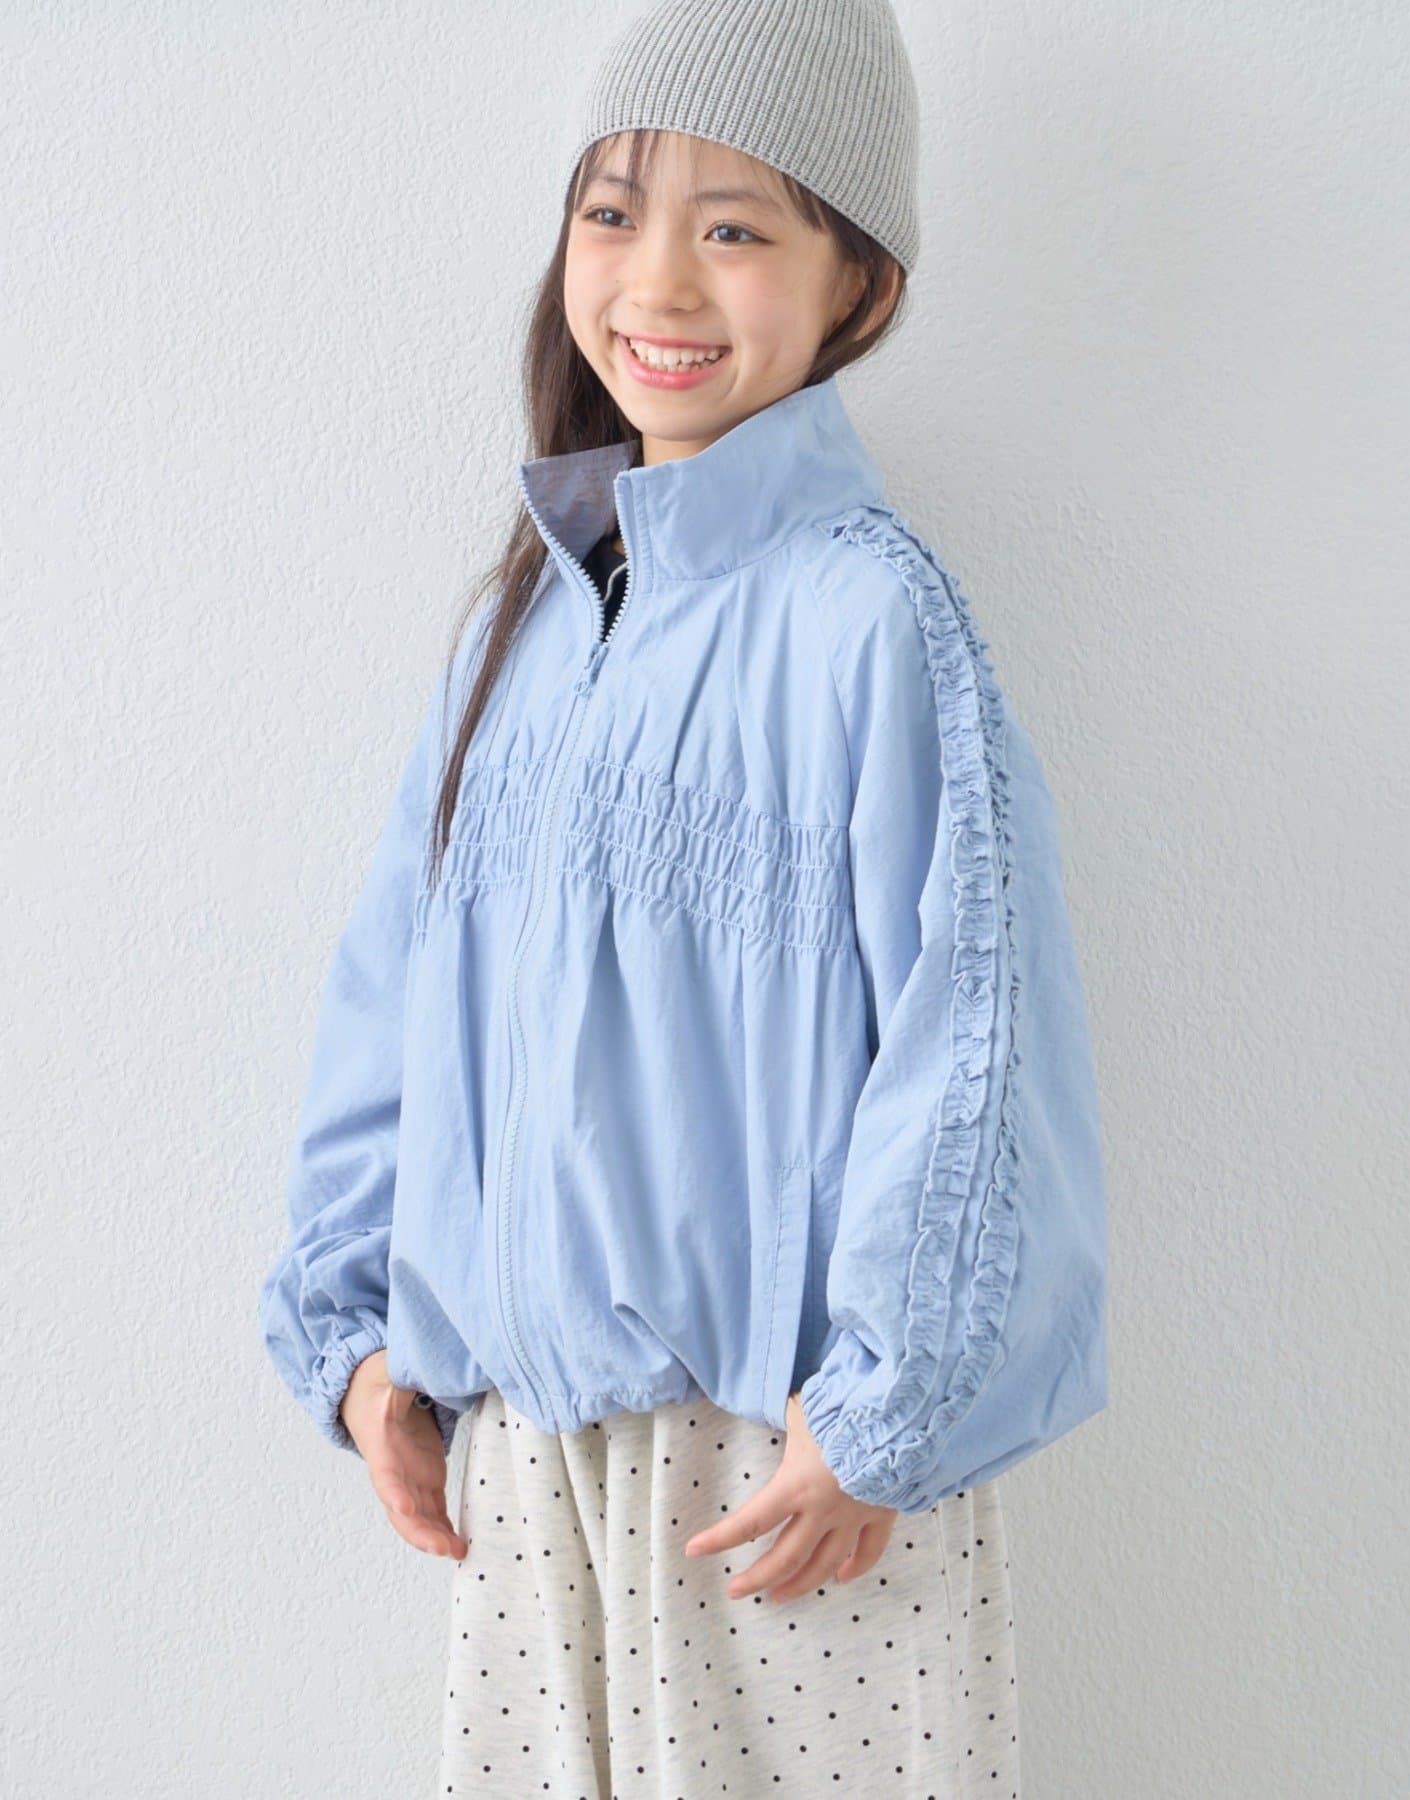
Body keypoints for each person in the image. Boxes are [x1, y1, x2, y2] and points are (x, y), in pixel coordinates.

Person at [257, 1, 1109, 1792]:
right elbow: (393, 993)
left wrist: (888, 1408)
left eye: (734, 227)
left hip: (787, 1473)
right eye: (612, 213)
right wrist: (356, 1339)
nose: (658, 279)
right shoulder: (525, 627)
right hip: (525, 1460)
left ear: (858, 283)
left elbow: (975, 1034)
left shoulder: (869, 621)